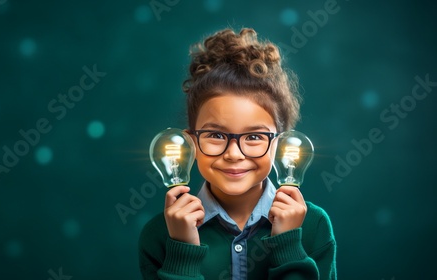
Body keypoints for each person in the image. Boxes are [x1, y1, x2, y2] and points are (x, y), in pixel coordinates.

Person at [139, 27, 336, 279]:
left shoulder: (313, 226)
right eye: (216, 135)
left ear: (281, 145)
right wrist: (183, 249)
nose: (233, 153)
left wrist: (288, 244)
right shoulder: (159, 234)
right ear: (190, 144)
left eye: (254, 137)